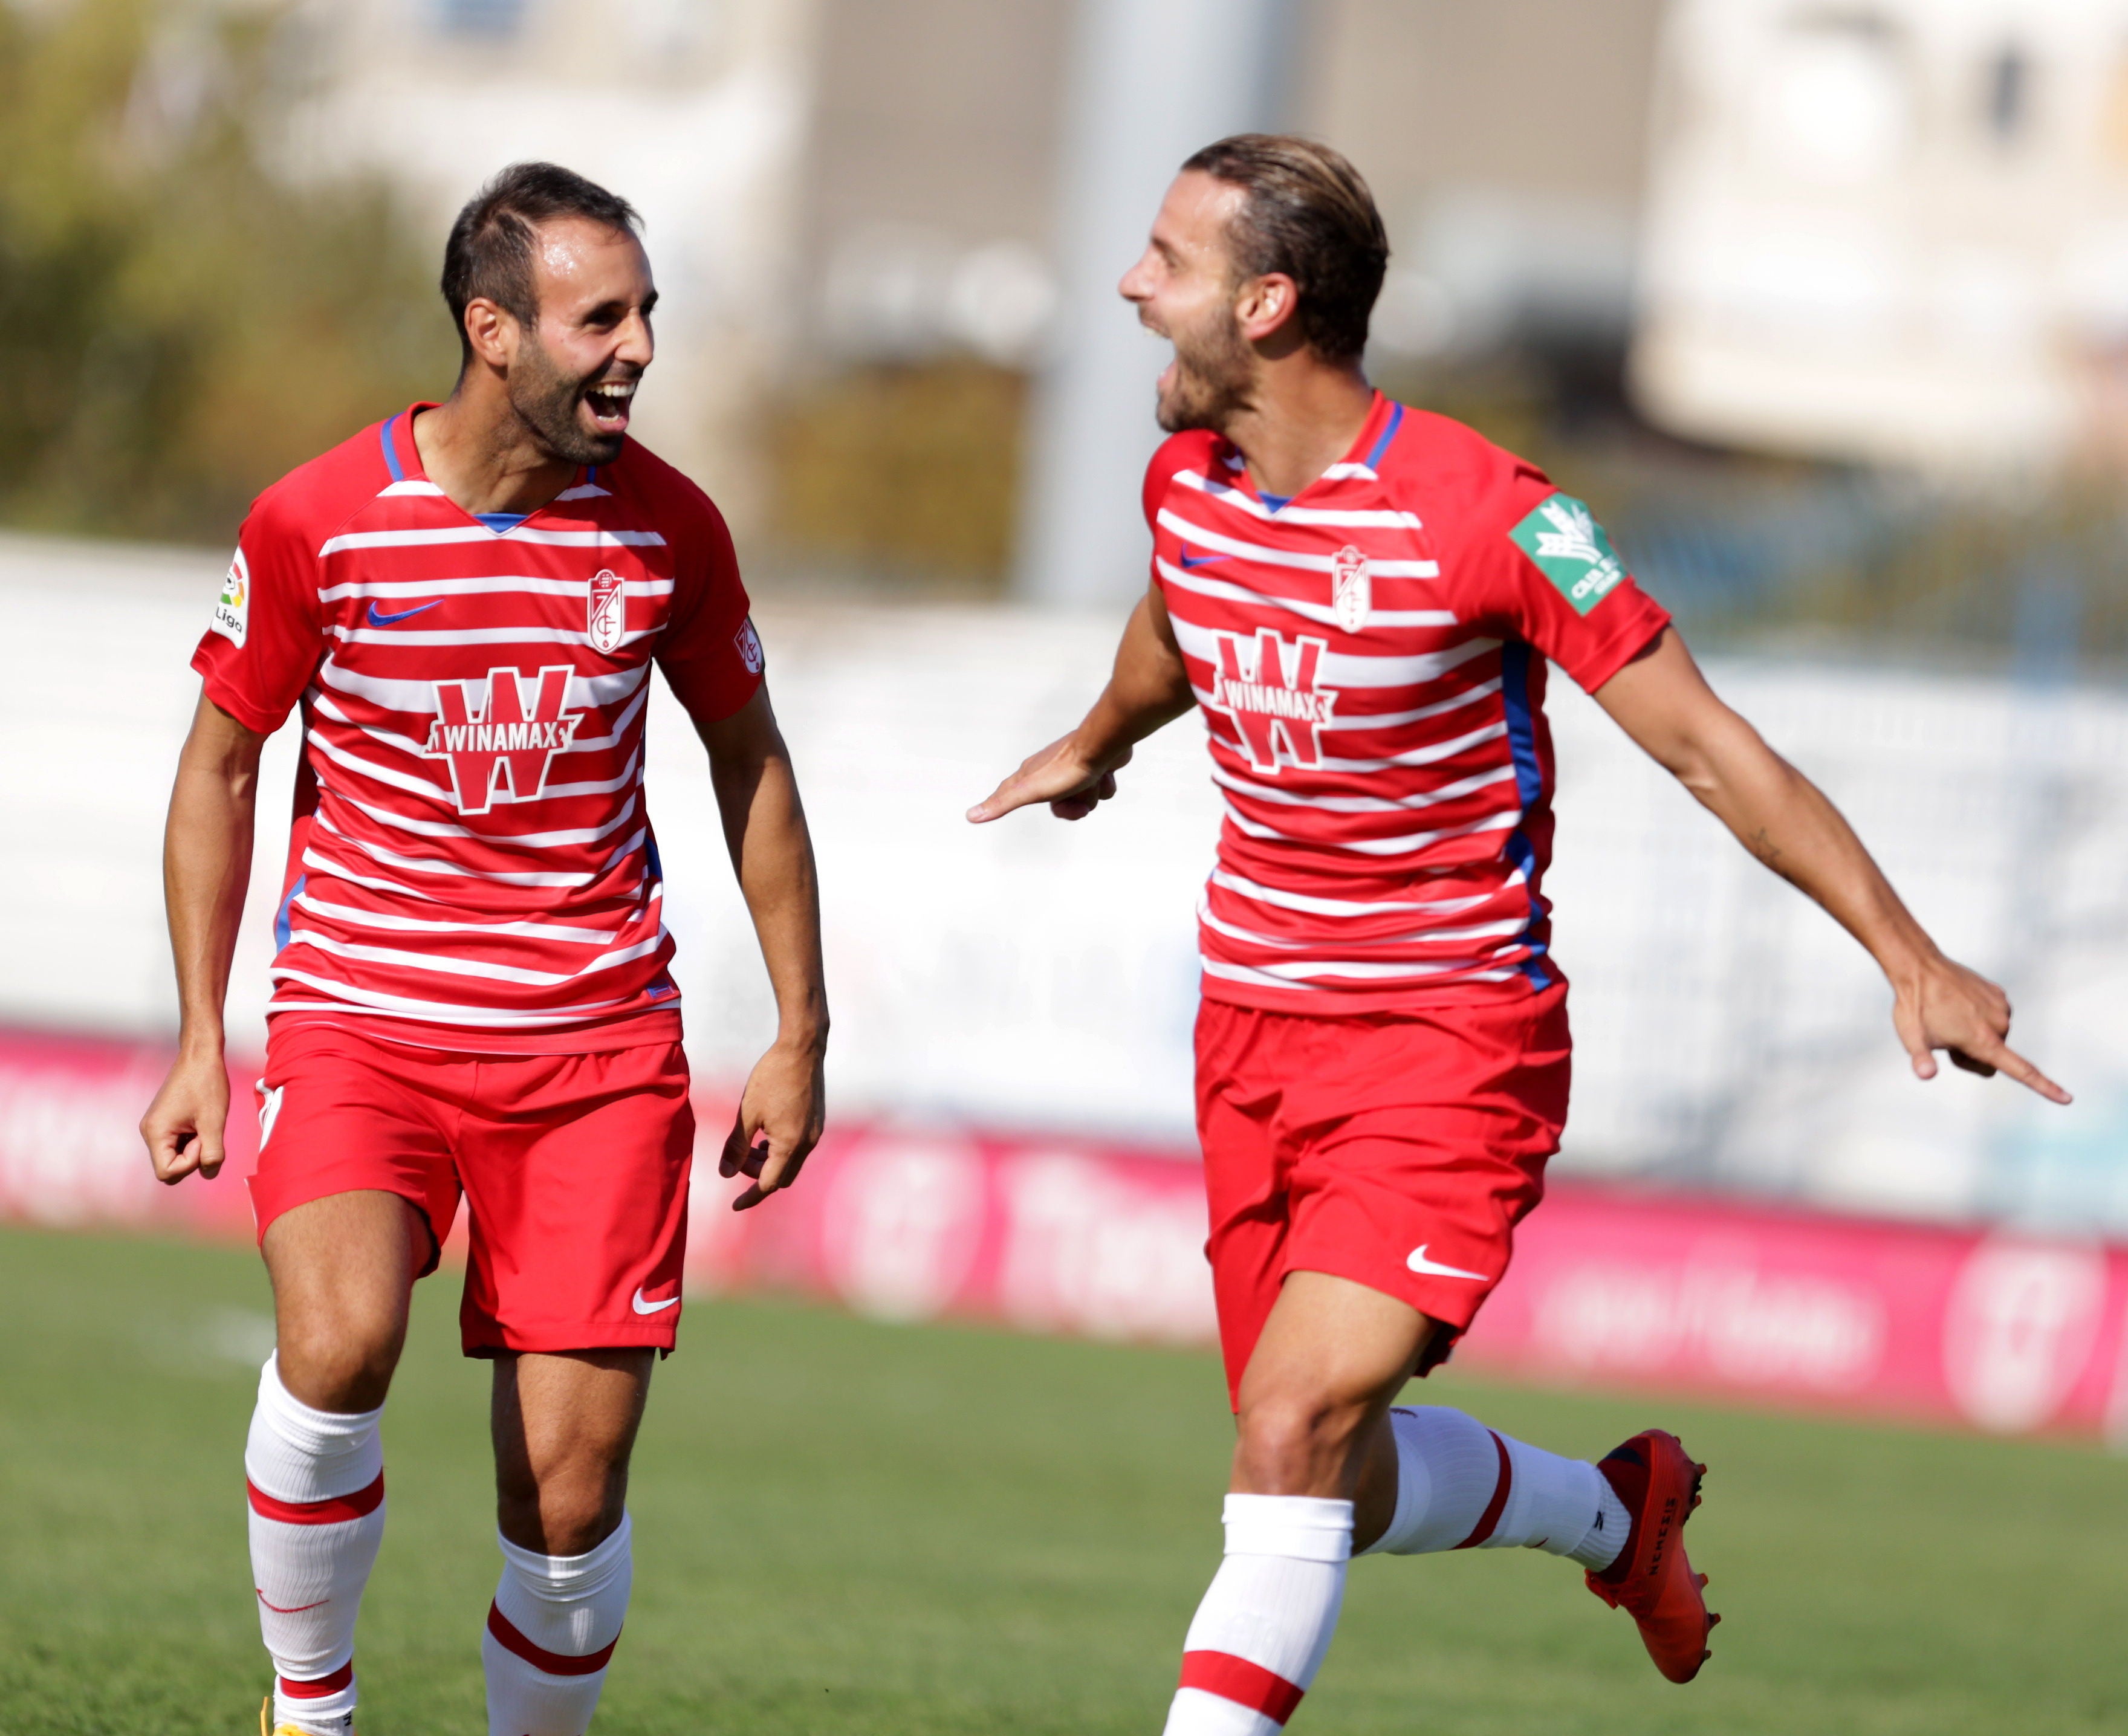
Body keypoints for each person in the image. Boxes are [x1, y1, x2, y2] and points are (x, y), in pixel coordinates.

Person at [970, 134, 2069, 1734]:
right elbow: (1176, 619)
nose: (1133, 285)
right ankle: (1623, 1519)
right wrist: (1105, 737)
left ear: (1267, 304)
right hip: (1250, 1039)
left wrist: (1907, 953)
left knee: (1287, 1432)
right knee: (1316, 1474)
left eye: (1168, 260)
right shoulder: (1186, 485)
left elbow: (1706, 743)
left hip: (1445, 1043)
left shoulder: (1493, 514)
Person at [138, 162, 828, 1736]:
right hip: (359, 1026)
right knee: (339, 1342)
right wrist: (198, 1034)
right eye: (604, 317)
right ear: (492, 331)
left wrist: (800, 1029)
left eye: (649, 311)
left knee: (570, 1506)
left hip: (593, 1062)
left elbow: (751, 762)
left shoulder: (670, 534)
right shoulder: (321, 521)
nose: (641, 347)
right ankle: (308, 1710)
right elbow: (221, 764)